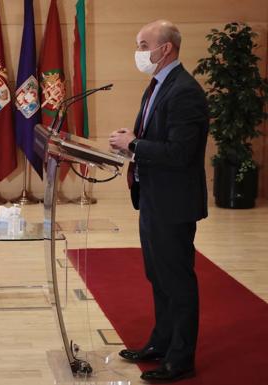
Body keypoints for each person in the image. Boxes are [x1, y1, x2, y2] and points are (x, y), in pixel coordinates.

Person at [109, 20, 208, 382]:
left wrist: (133, 146)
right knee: (158, 275)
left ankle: (180, 358)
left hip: (173, 202)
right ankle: (161, 343)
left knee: (177, 280)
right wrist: (132, 140)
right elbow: (155, 138)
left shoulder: (185, 91)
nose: (139, 52)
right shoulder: (157, 86)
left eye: (143, 44)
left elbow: (181, 152)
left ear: (165, 49)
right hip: (152, 197)